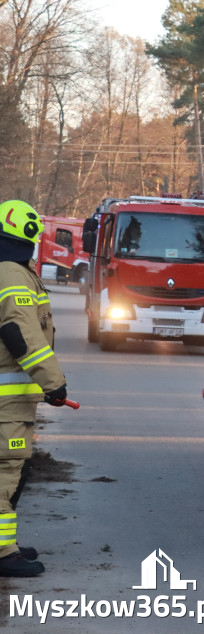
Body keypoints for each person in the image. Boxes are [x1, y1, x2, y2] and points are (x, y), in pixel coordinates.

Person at [0, 200, 70, 578]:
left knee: (12, 470)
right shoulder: (12, 274)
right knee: (5, 471)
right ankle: (2, 553)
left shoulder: (10, 269)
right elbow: (21, 334)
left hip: (11, 400)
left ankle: (6, 545)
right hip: (6, 403)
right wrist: (53, 383)